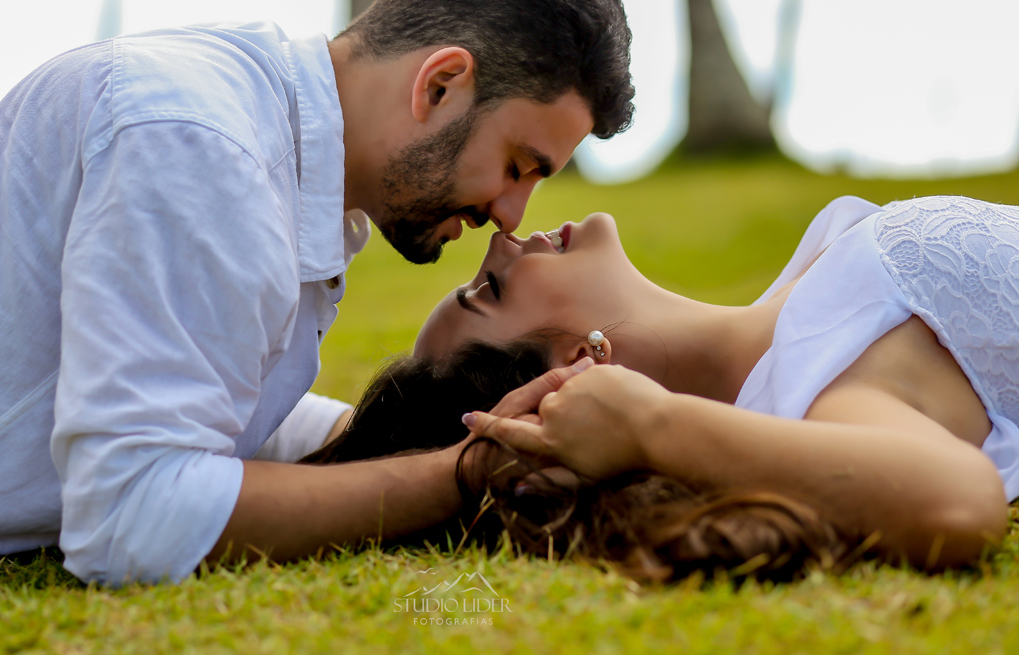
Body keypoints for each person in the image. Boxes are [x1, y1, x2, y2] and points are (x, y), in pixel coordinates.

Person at [0, 0, 635, 584]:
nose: (510, 214)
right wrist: (459, 475)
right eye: (518, 166)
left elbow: (210, 395)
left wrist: (461, 434)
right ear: (441, 84)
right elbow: (133, 522)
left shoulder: (268, 146)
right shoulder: (204, 148)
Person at [311, 195, 1016, 581]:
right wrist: (651, 425)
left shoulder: (802, 312)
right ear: (579, 371)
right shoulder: (824, 381)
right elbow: (959, 501)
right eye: (490, 290)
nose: (500, 241)